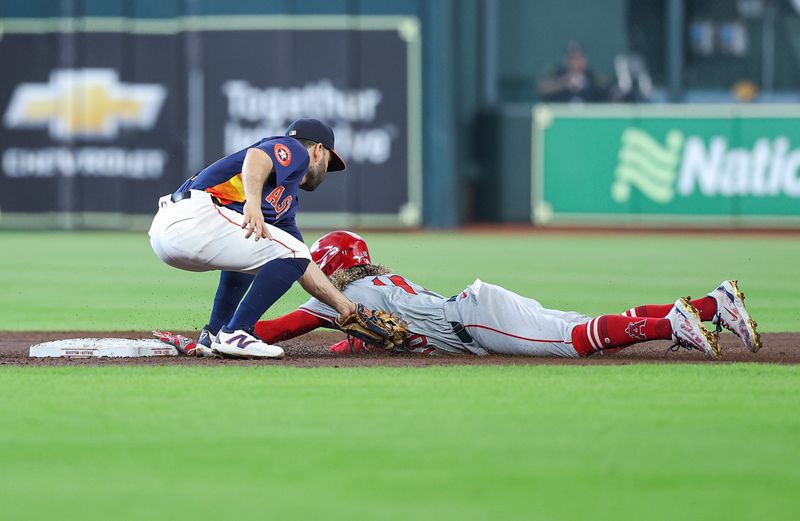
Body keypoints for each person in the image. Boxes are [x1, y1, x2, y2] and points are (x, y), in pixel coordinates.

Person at [247, 231, 761, 359]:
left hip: (472, 320)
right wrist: (347, 345)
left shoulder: (340, 295)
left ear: (330, 267)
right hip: (473, 309)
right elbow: (359, 339)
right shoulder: (374, 286)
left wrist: (216, 335)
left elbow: (277, 330)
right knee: (586, 322)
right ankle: (716, 304)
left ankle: (674, 324)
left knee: (574, 340)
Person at [148, 119, 358, 359]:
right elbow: (256, 156)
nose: (326, 172)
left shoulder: (285, 203)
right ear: (319, 151)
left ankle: (215, 332)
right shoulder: (296, 150)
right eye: (329, 163)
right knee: (286, 249)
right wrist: (253, 202)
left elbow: (301, 262)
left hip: (170, 232)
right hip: (194, 215)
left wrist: (346, 308)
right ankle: (238, 332)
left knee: (271, 251)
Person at [538, 41, 610, 103]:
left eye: (579, 58)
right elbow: (542, 88)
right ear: (566, 60)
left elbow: (606, 88)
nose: (576, 63)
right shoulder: (558, 73)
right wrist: (564, 82)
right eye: (572, 59)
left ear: (585, 60)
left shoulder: (592, 76)